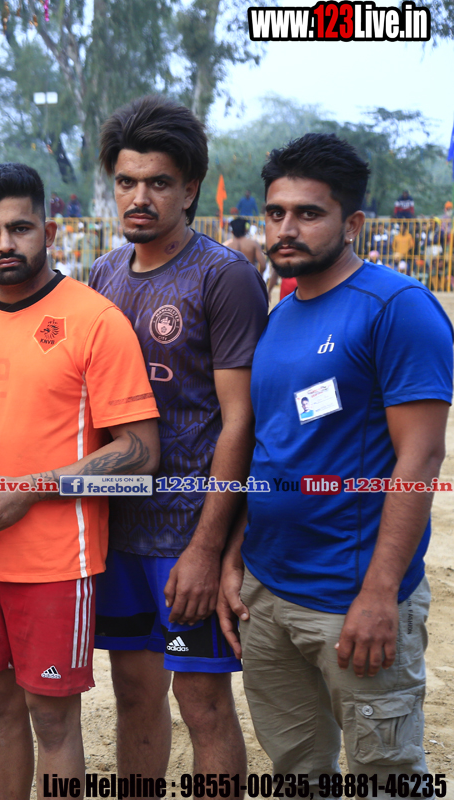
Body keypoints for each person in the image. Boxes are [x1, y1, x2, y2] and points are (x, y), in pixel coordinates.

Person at [219, 132, 452, 779]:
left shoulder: (397, 308)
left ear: (352, 223)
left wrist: (380, 594)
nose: (286, 229)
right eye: (275, 212)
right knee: (297, 769)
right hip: (268, 593)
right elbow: (273, 451)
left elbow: (420, 461)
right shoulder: (282, 313)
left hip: (354, 599)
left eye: (308, 213)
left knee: (387, 776)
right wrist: (236, 556)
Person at [0, 162, 160, 797]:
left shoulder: (95, 319)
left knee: (53, 719)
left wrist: (33, 488)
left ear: (51, 232)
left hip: (57, 563)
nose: (5, 244)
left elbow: (141, 452)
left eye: (21, 228)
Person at [88, 94, 263, 786]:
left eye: (158, 182)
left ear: (190, 189)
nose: (140, 198)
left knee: (202, 703)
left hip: (188, 540)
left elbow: (240, 421)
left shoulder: (225, 277)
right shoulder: (102, 275)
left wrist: (207, 549)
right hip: (118, 538)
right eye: (127, 182)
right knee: (134, 695)